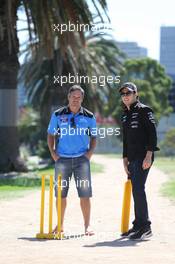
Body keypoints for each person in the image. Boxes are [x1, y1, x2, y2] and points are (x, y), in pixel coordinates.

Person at [47, 85, 97, 235]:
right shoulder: (58, 114)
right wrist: (53, 153)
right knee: (60, 195)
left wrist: (89, 154)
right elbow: (50, 134)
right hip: (62, 160)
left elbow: (94, 137)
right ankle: (60, 225)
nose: (76, 100)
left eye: (78, 97)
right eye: (73, 97)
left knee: (85, 194)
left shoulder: (89, 116)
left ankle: (87, 226)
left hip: (82, 160)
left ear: (82, 99)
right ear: (68, 97)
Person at [119, 82, 159, 240]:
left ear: (136, 94)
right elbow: (126, 139)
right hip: (132, 157)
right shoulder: (124, 114)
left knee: (138, 189)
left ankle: (146, 227)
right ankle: (137, 225)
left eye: (128, 93)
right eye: (123, 94)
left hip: (143, 157)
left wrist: (149, 155)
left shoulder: (144, 110)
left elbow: (153, 134)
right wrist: (124, 158)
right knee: (135, 189)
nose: (125, 96)